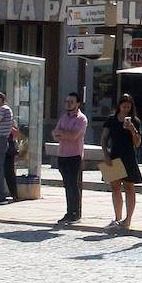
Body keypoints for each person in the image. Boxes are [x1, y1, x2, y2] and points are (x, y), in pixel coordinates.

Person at [102, 93, 142, 229]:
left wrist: (132, 130)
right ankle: (117, 217)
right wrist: (106, 155)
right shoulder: (111, 120)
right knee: (115, 187)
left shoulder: (135, 121)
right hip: (114, 155)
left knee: (129, 187)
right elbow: (104, 138)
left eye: (128, 107)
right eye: (124, 106)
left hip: (128, 157)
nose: (126, 109)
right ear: (119, 106)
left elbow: (137, 143)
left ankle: (128, 219)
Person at [52, 92, 88, 224]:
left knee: (73, 184)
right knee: (67, 185)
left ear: (78, 104)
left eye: (71, 101)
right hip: (62, 155)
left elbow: (74, 136)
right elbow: (55, 134)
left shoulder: (81, 119)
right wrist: (63, 134)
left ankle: (75, 213)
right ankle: (69, 211)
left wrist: (63, 134)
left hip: (75, 156)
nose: (68, 104)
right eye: (67, 101)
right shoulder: (63, 117)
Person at [0, 91, 13, 204]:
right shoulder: (3, 109)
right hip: (0, 139)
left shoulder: (3, 109)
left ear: (0, 100)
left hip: (0, 139)